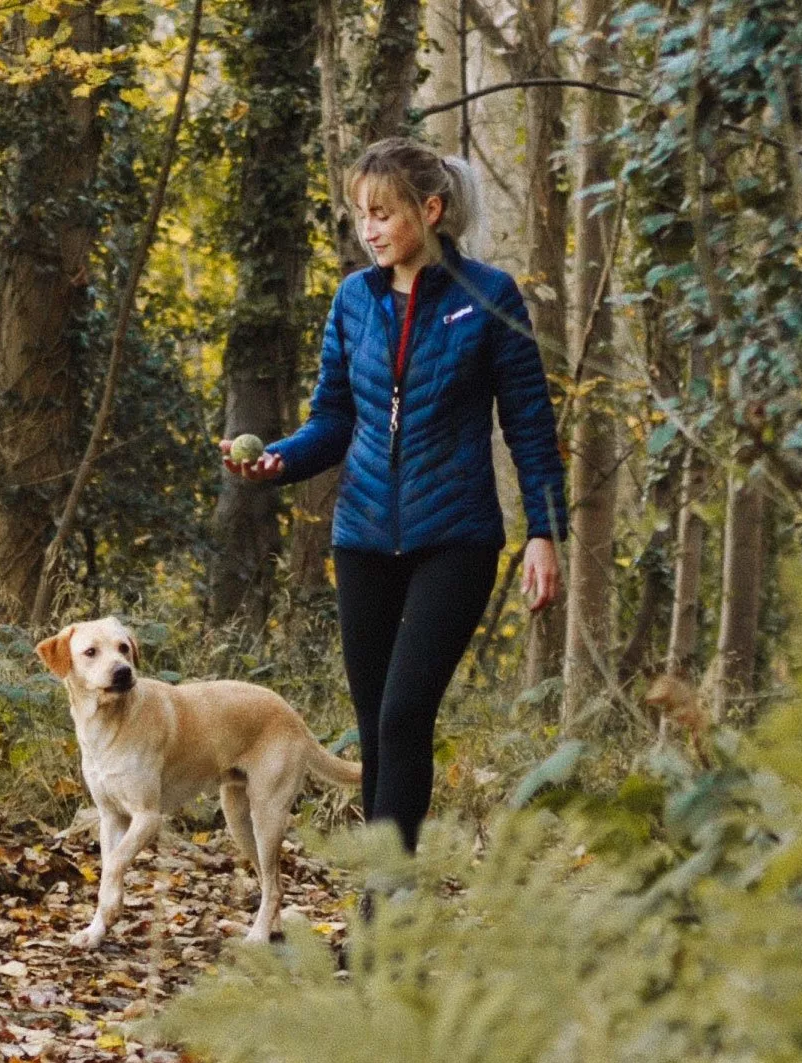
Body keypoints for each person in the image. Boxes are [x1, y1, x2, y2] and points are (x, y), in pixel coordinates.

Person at [221, 136, 567, 858]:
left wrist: (544, 530)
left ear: (431, 211)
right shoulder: (354, 301)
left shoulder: (488, 297)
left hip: (458, 539)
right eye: (360, 215)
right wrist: (276, 462)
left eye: (382, 213)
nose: (368, 229)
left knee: (407, 714)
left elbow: (528, 421)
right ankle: (386, 902)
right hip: (364, 540)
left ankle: (387, 908)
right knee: (378, 721)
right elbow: (334, 420)